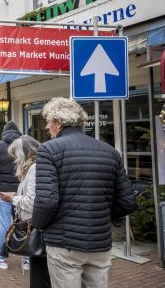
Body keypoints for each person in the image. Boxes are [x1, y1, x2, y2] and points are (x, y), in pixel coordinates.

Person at [32, 97, 137, 288]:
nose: (47, 127)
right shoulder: (110, 151)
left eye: (48, 121)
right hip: (100, 242)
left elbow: (47, 201)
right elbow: (128, 201)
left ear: (59, 122)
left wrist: (38, 225)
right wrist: (103, 216)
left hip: (64, 242)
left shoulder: (49, 149)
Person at [0, 136, 51, 287]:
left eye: (16, 157)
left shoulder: (34, 169)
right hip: (34, 223)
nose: (15, 161)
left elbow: (32, 201)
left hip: (34, 224)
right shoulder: (32, 168)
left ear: (24, 153)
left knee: (40, 272)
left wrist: (12, 199)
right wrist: (16, 196)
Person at [0, 122, 22, 269]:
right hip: (20, 191)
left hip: (2, 191)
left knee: (4, 224)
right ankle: (27, 260)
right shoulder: (24, 145)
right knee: (22, 224)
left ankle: (2, 258)